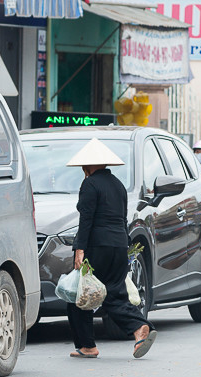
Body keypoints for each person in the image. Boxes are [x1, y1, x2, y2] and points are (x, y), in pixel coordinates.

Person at [66, 138, 156, 359]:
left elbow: (86, 219)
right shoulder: (118, 185)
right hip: (118, 246)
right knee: (114, 294)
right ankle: (138, 328)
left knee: (81, 293)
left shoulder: (90, 184)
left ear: (88, 165)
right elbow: (122, 218)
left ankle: (87, 345)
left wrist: (79, 250)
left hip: (97, 247)